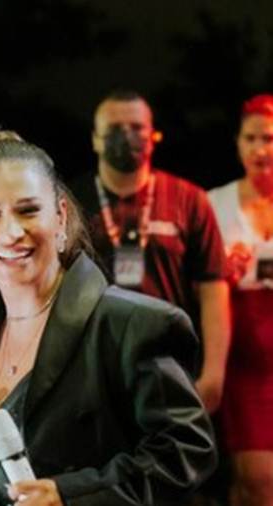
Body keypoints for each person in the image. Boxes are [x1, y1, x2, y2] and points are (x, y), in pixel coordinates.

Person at [0, 131, 217, 505]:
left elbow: (186, 453)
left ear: (60, 216)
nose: (11, 232)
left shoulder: (132, 324)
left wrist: (69, 495)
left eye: (28, 210)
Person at [68, 90, 231, 414]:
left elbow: (213, 289)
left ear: (153, 135)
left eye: (136, 127)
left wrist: (213, 373)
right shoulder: (71, 202)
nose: (126, 136)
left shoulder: (189, 199)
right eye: (114, 129)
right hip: (93, 367)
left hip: (172, 362)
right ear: (95, 139)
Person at [208, 94, 273, 506]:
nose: (259, 149)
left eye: (268, 138)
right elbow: (193, 288)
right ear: (237, 144)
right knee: (258, 480)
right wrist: (222, 274)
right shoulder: (213, 204)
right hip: (243, 365)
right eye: (250, 138)